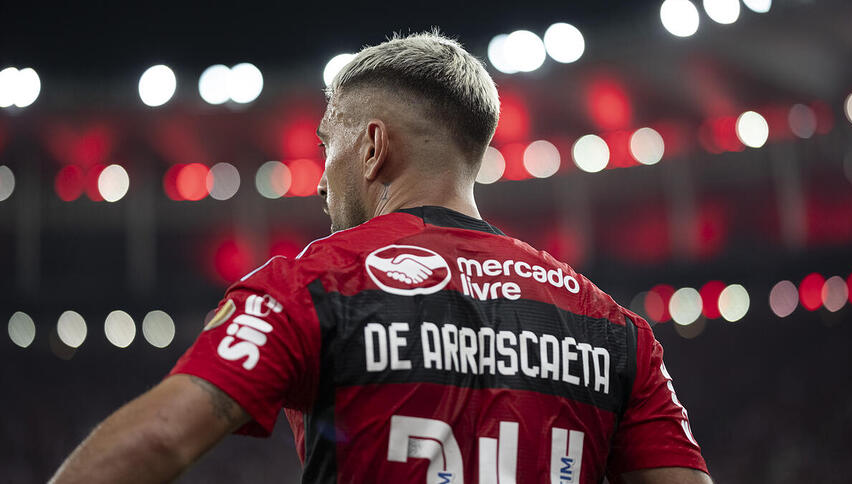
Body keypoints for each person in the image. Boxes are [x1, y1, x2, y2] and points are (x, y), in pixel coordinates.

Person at [51, 32, 711, 484]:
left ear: (371, 146)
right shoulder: (615, 330)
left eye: (325, 143)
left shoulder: (310, 284)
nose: (317, 177)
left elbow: (162, 437)